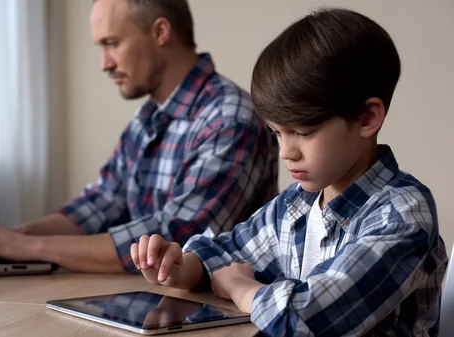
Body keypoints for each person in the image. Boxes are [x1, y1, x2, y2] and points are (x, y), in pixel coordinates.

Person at [131, 8, 448, 336]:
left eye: (304, 132)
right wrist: (181, 267)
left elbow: (309, 318)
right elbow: (230, 251)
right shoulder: (298, 204)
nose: (286, 152)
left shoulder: (402, 213)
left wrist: (242, 289)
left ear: (367, 118)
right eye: (277, 133)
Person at [0, 0, 278, 273]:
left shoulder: (229, 117)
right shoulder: (147, 118)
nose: (104, 63)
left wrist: (29, 247)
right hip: (150, 296)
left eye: (112, 43)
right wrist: (7, 236)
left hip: (211, 311)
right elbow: (101, 203)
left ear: (160, 31)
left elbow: (177, 238)